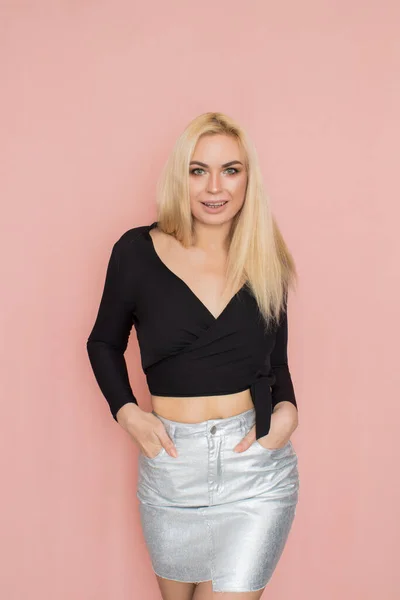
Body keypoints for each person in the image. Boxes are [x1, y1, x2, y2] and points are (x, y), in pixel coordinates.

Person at [86, 112, 300, 599]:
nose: (214, 186)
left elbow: (278, 363)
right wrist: (128, 414)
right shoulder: (137, 251)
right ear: (180, 176)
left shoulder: (267, 257)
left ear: (248, 178)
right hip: (171, 466)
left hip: (255, 470)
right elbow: (103, 341)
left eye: (231, 169)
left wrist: (287, 412)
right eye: (198, 169)